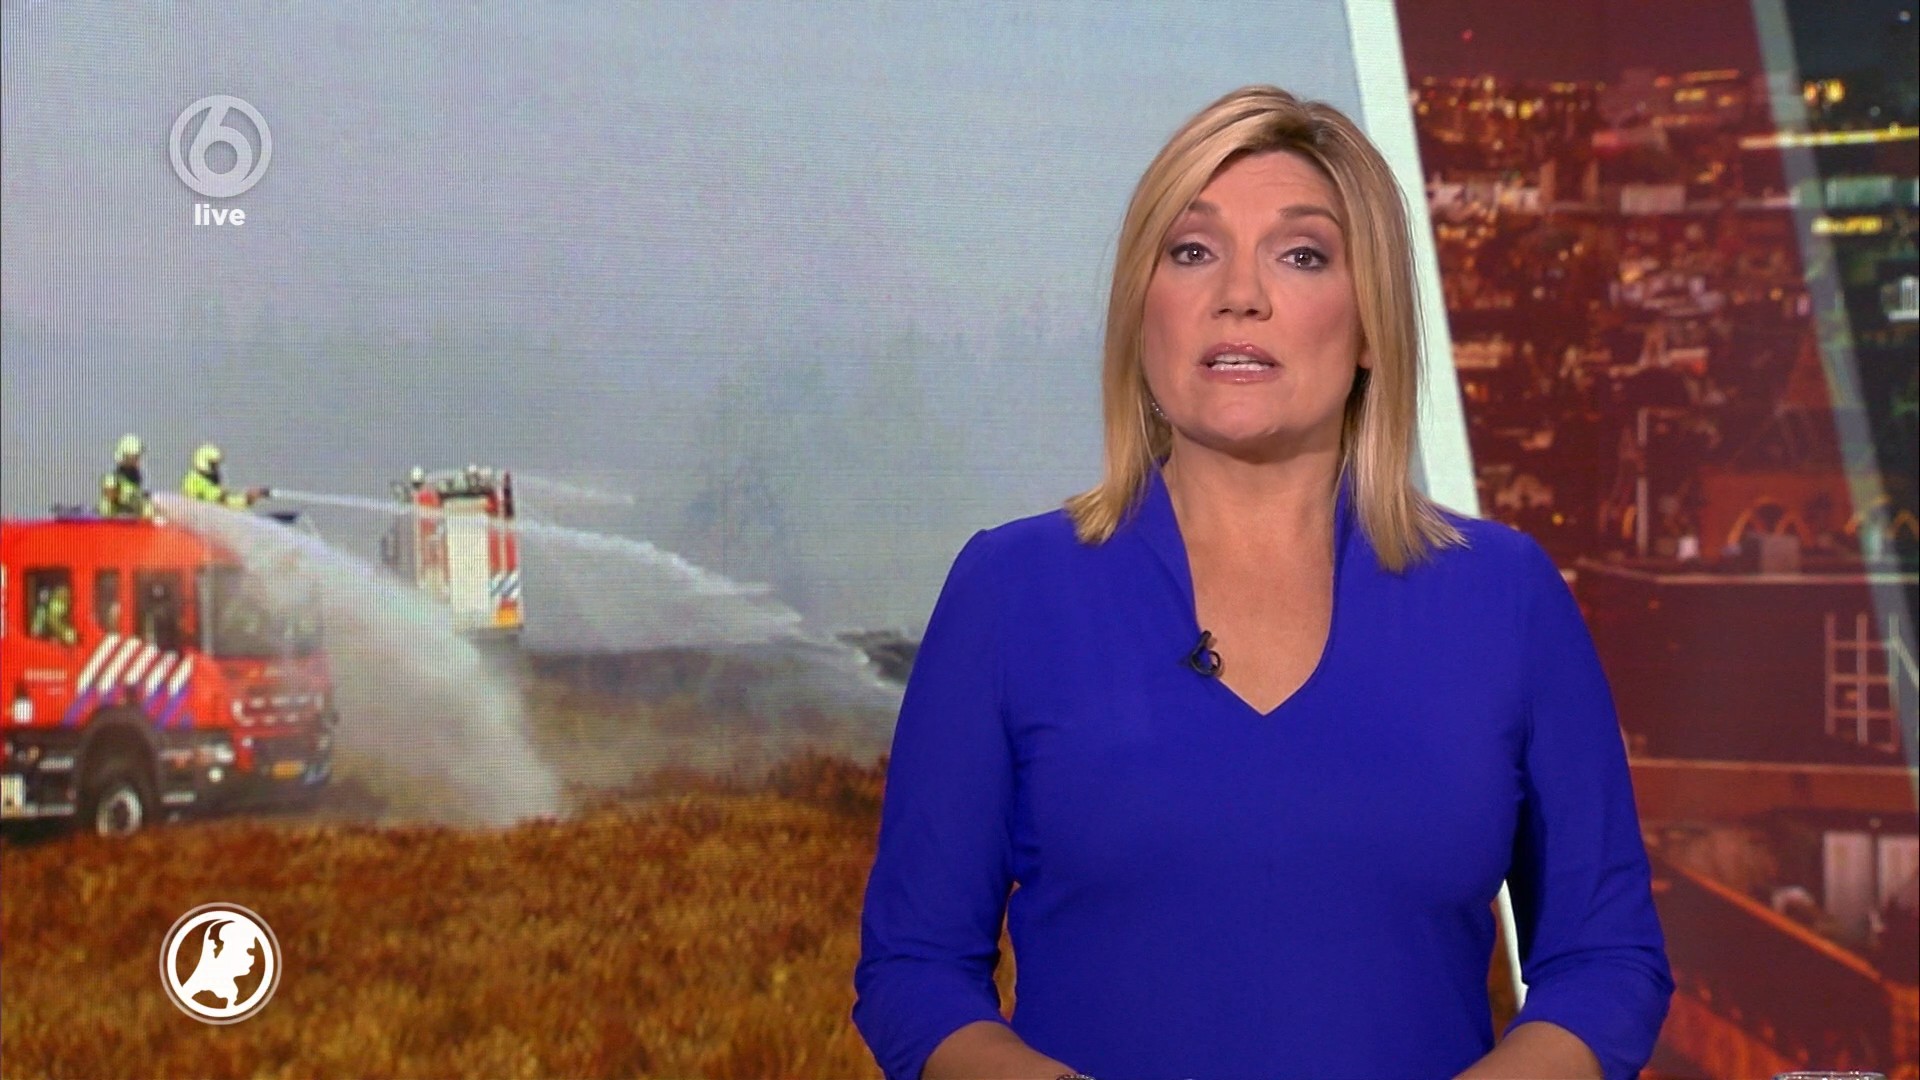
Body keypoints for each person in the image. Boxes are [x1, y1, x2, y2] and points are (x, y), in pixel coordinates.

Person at [853, 86, 1672, 1080]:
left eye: (1302, 255)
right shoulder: (1009, 591)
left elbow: (1605, 962)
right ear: (1142, 313)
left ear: (1369, 325)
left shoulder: (1506, 598)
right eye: (1192, 250)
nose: (1238, 294)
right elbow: (916, 971)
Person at [181, 443, 270, 508]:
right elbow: (223, 501)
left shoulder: (203, 477)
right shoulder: (196, 480)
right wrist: (247, 499)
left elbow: (224, 498)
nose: (217, 468)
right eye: (214, 464)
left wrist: (249, 496)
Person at [98, 433, 154, 518]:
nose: (137, 459)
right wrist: (129, 497)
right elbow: (111, 497)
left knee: (148, 507)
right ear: (124, 457)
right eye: (134, 457)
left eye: (137, 456)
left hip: (133, 519)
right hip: (112, 520)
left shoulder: (137, 476)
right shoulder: (111, 479)